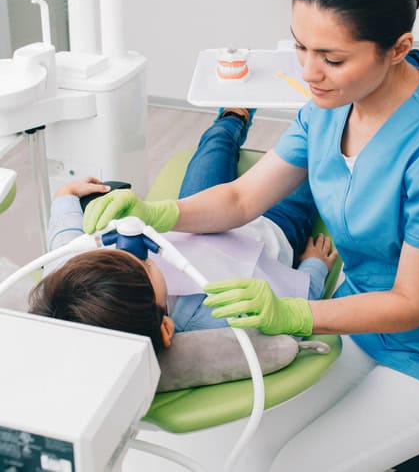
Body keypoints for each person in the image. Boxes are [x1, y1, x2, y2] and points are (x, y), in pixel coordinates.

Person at [83, 0, 419, 472]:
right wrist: (160, 212)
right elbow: (241, 197)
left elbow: (414, 301)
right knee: (238, 451)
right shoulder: (330, 105)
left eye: (332, 58)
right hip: (359, 317)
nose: (309, 72)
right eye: (301, 47)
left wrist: (294, 313)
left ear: (397, 48)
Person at [29, 107, 338, 354]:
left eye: (118, 250)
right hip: (270, 229)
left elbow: (64, 237)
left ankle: (233, 116)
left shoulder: (68, 285)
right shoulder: (216, 318)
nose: (132, 242)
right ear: (166, 328)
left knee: (215, 143)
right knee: (313, 154)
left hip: (195, 213)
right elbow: (290, 310)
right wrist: (315, 265)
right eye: (145, 261)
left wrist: (67, 195)